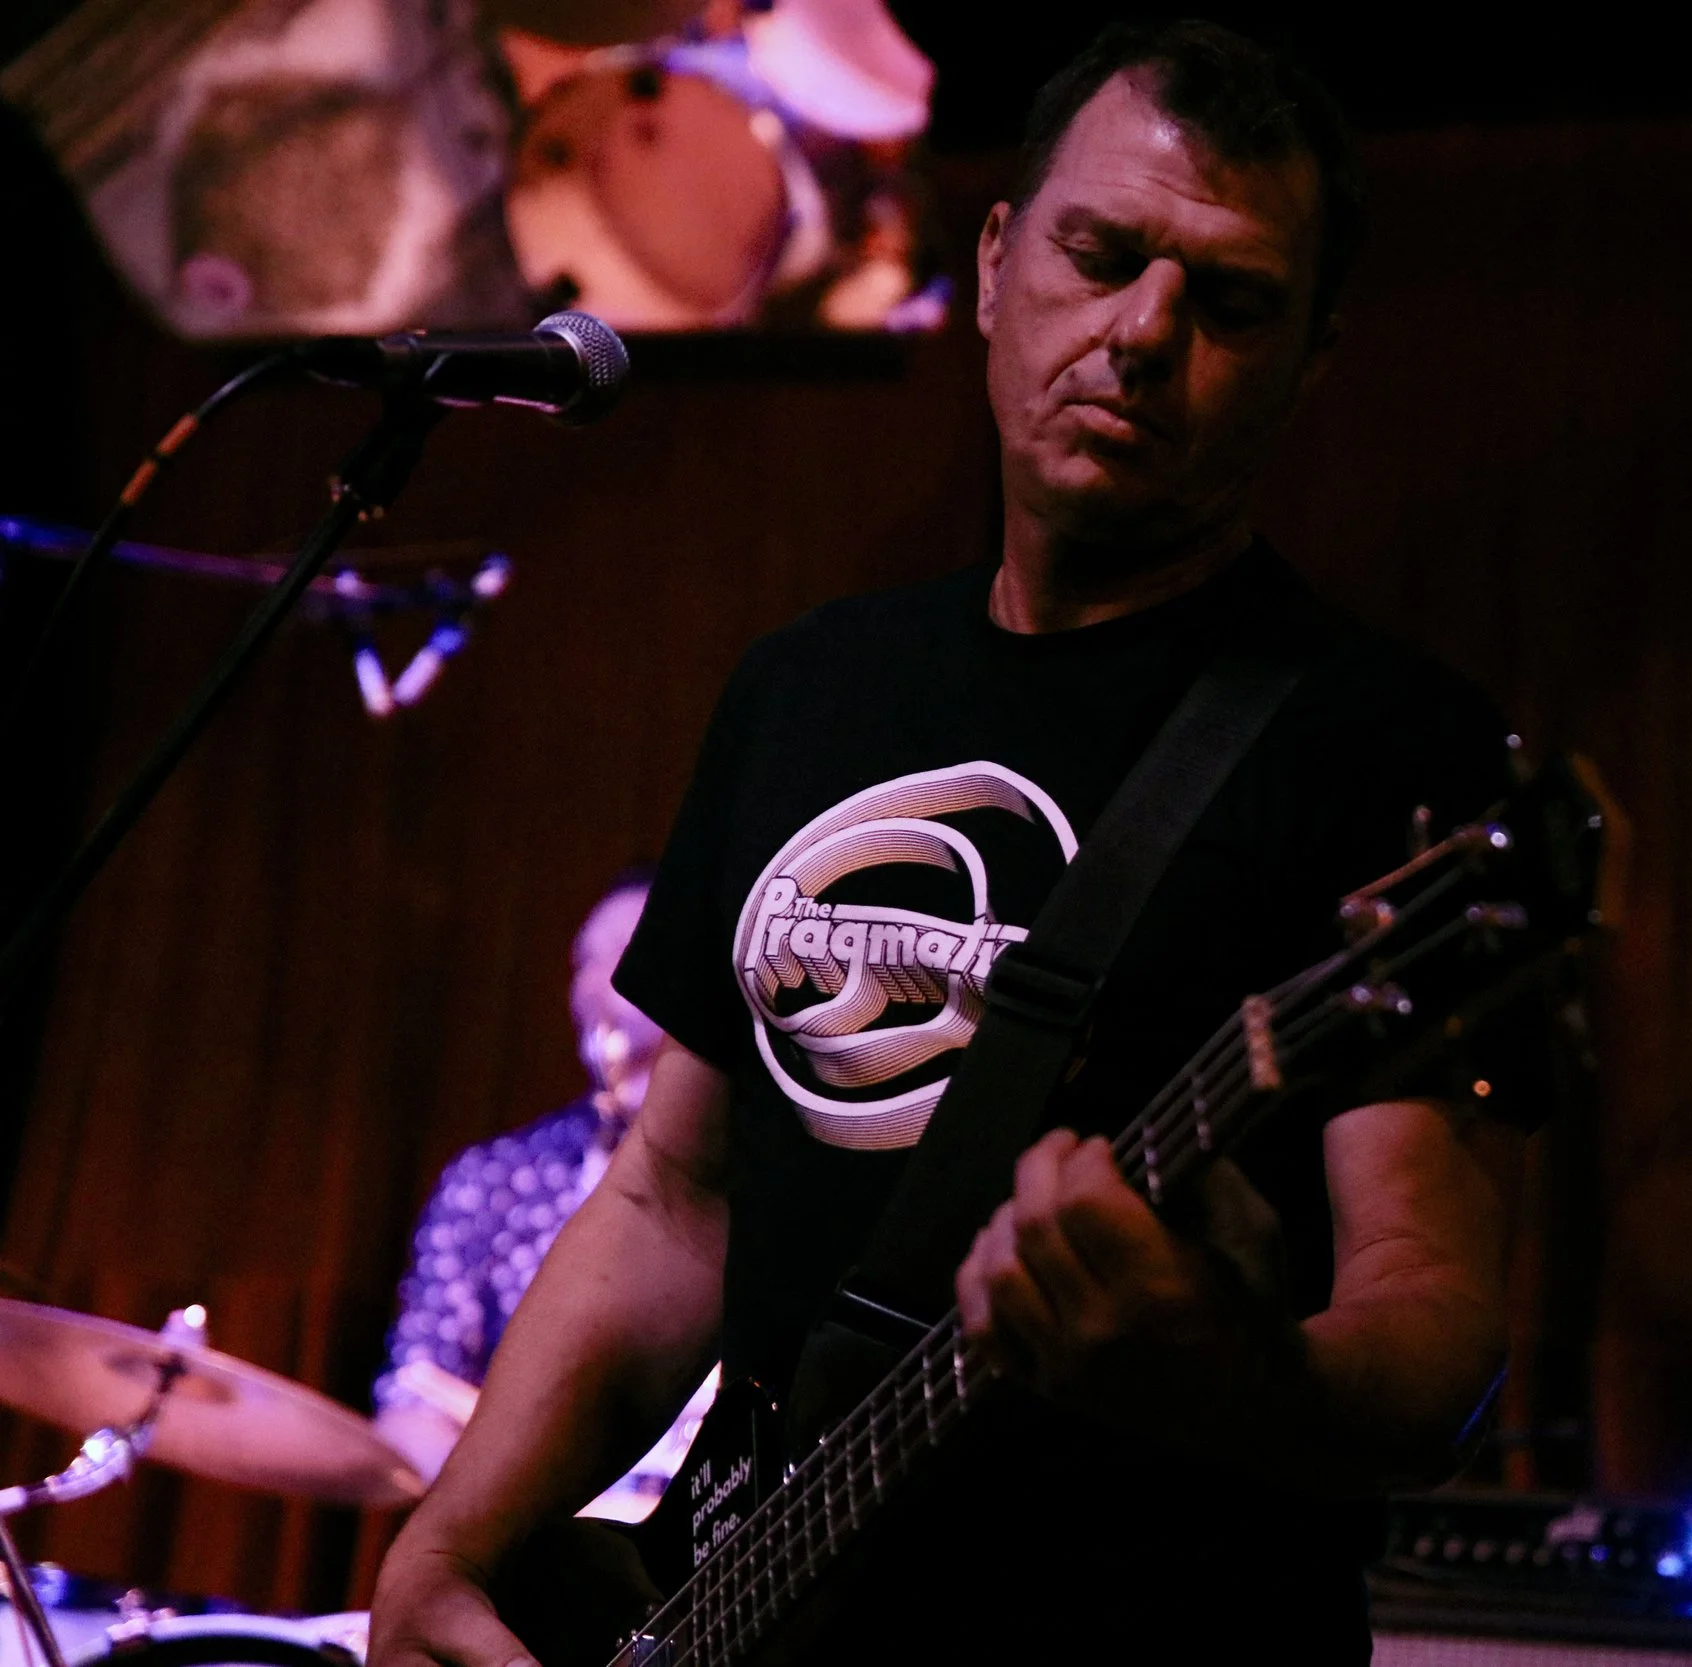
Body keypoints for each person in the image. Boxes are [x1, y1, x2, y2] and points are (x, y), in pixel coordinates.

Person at [370, 21, 1535, 1661]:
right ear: (995, 264)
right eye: (1102, 253)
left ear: (1312, 357)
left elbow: (1430, 1344)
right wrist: (449, 1547)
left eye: (1232, 299)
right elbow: (671, 1199)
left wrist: (1214, 1358)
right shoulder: (811, 683)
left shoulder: (1381, 743)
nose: (1143, 333)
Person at [373, 873, 714, 1514]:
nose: (599, 980)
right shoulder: (496, 1178)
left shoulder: (766, 1177)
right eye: (585, 959)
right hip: (540, 1556)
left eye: (631, 949)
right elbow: (411, 1407)